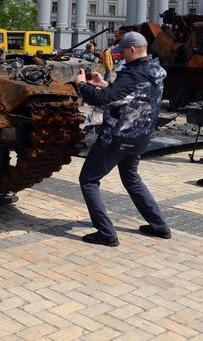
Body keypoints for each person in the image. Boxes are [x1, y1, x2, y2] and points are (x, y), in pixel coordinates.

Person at [74, 31, 171, 247]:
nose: (121, 56)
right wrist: (106, 85)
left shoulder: (133, 74)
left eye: (123, 52)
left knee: (88, 180)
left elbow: (104, 101)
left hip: (118, 137)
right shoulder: (155, 70)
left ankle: (106, 233)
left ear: (132, 50)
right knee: (131, 178)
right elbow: (131, 96)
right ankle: (159, 226)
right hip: (140, 137)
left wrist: (83, 85)